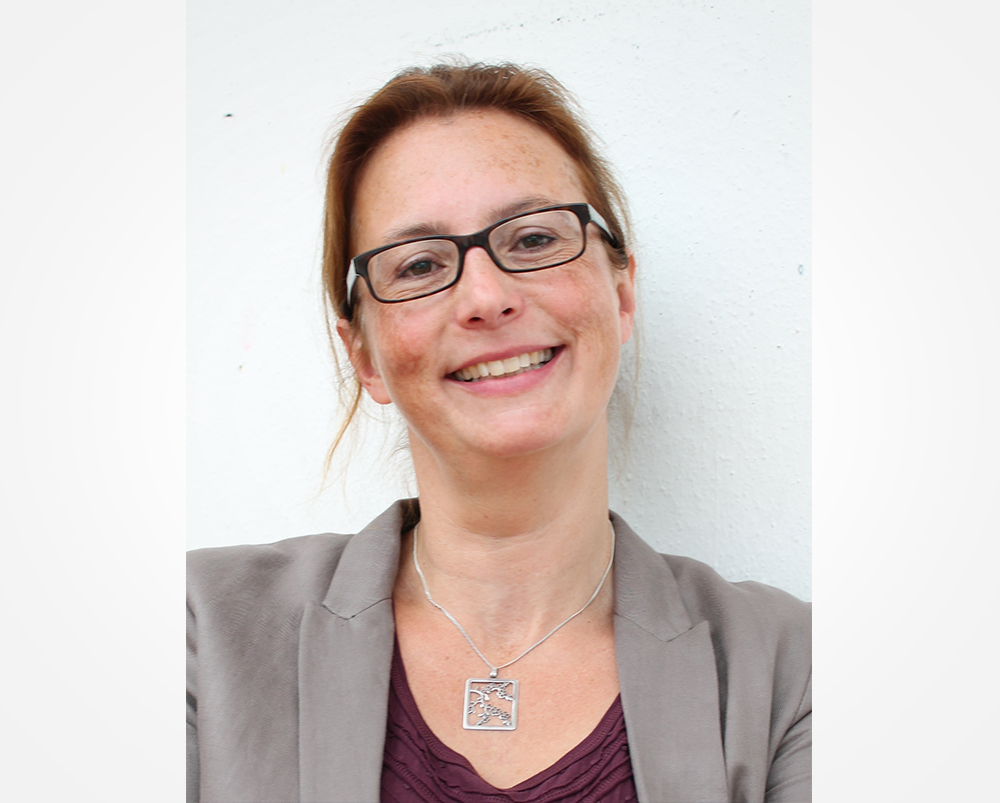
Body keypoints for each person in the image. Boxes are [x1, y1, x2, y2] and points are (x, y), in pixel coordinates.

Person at [187, 62, 811, 803]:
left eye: (535, 238)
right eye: (419, 264)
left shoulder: (790, 669)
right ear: (366, 357)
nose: (486, 295)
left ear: (621, 295)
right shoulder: (198, 633)